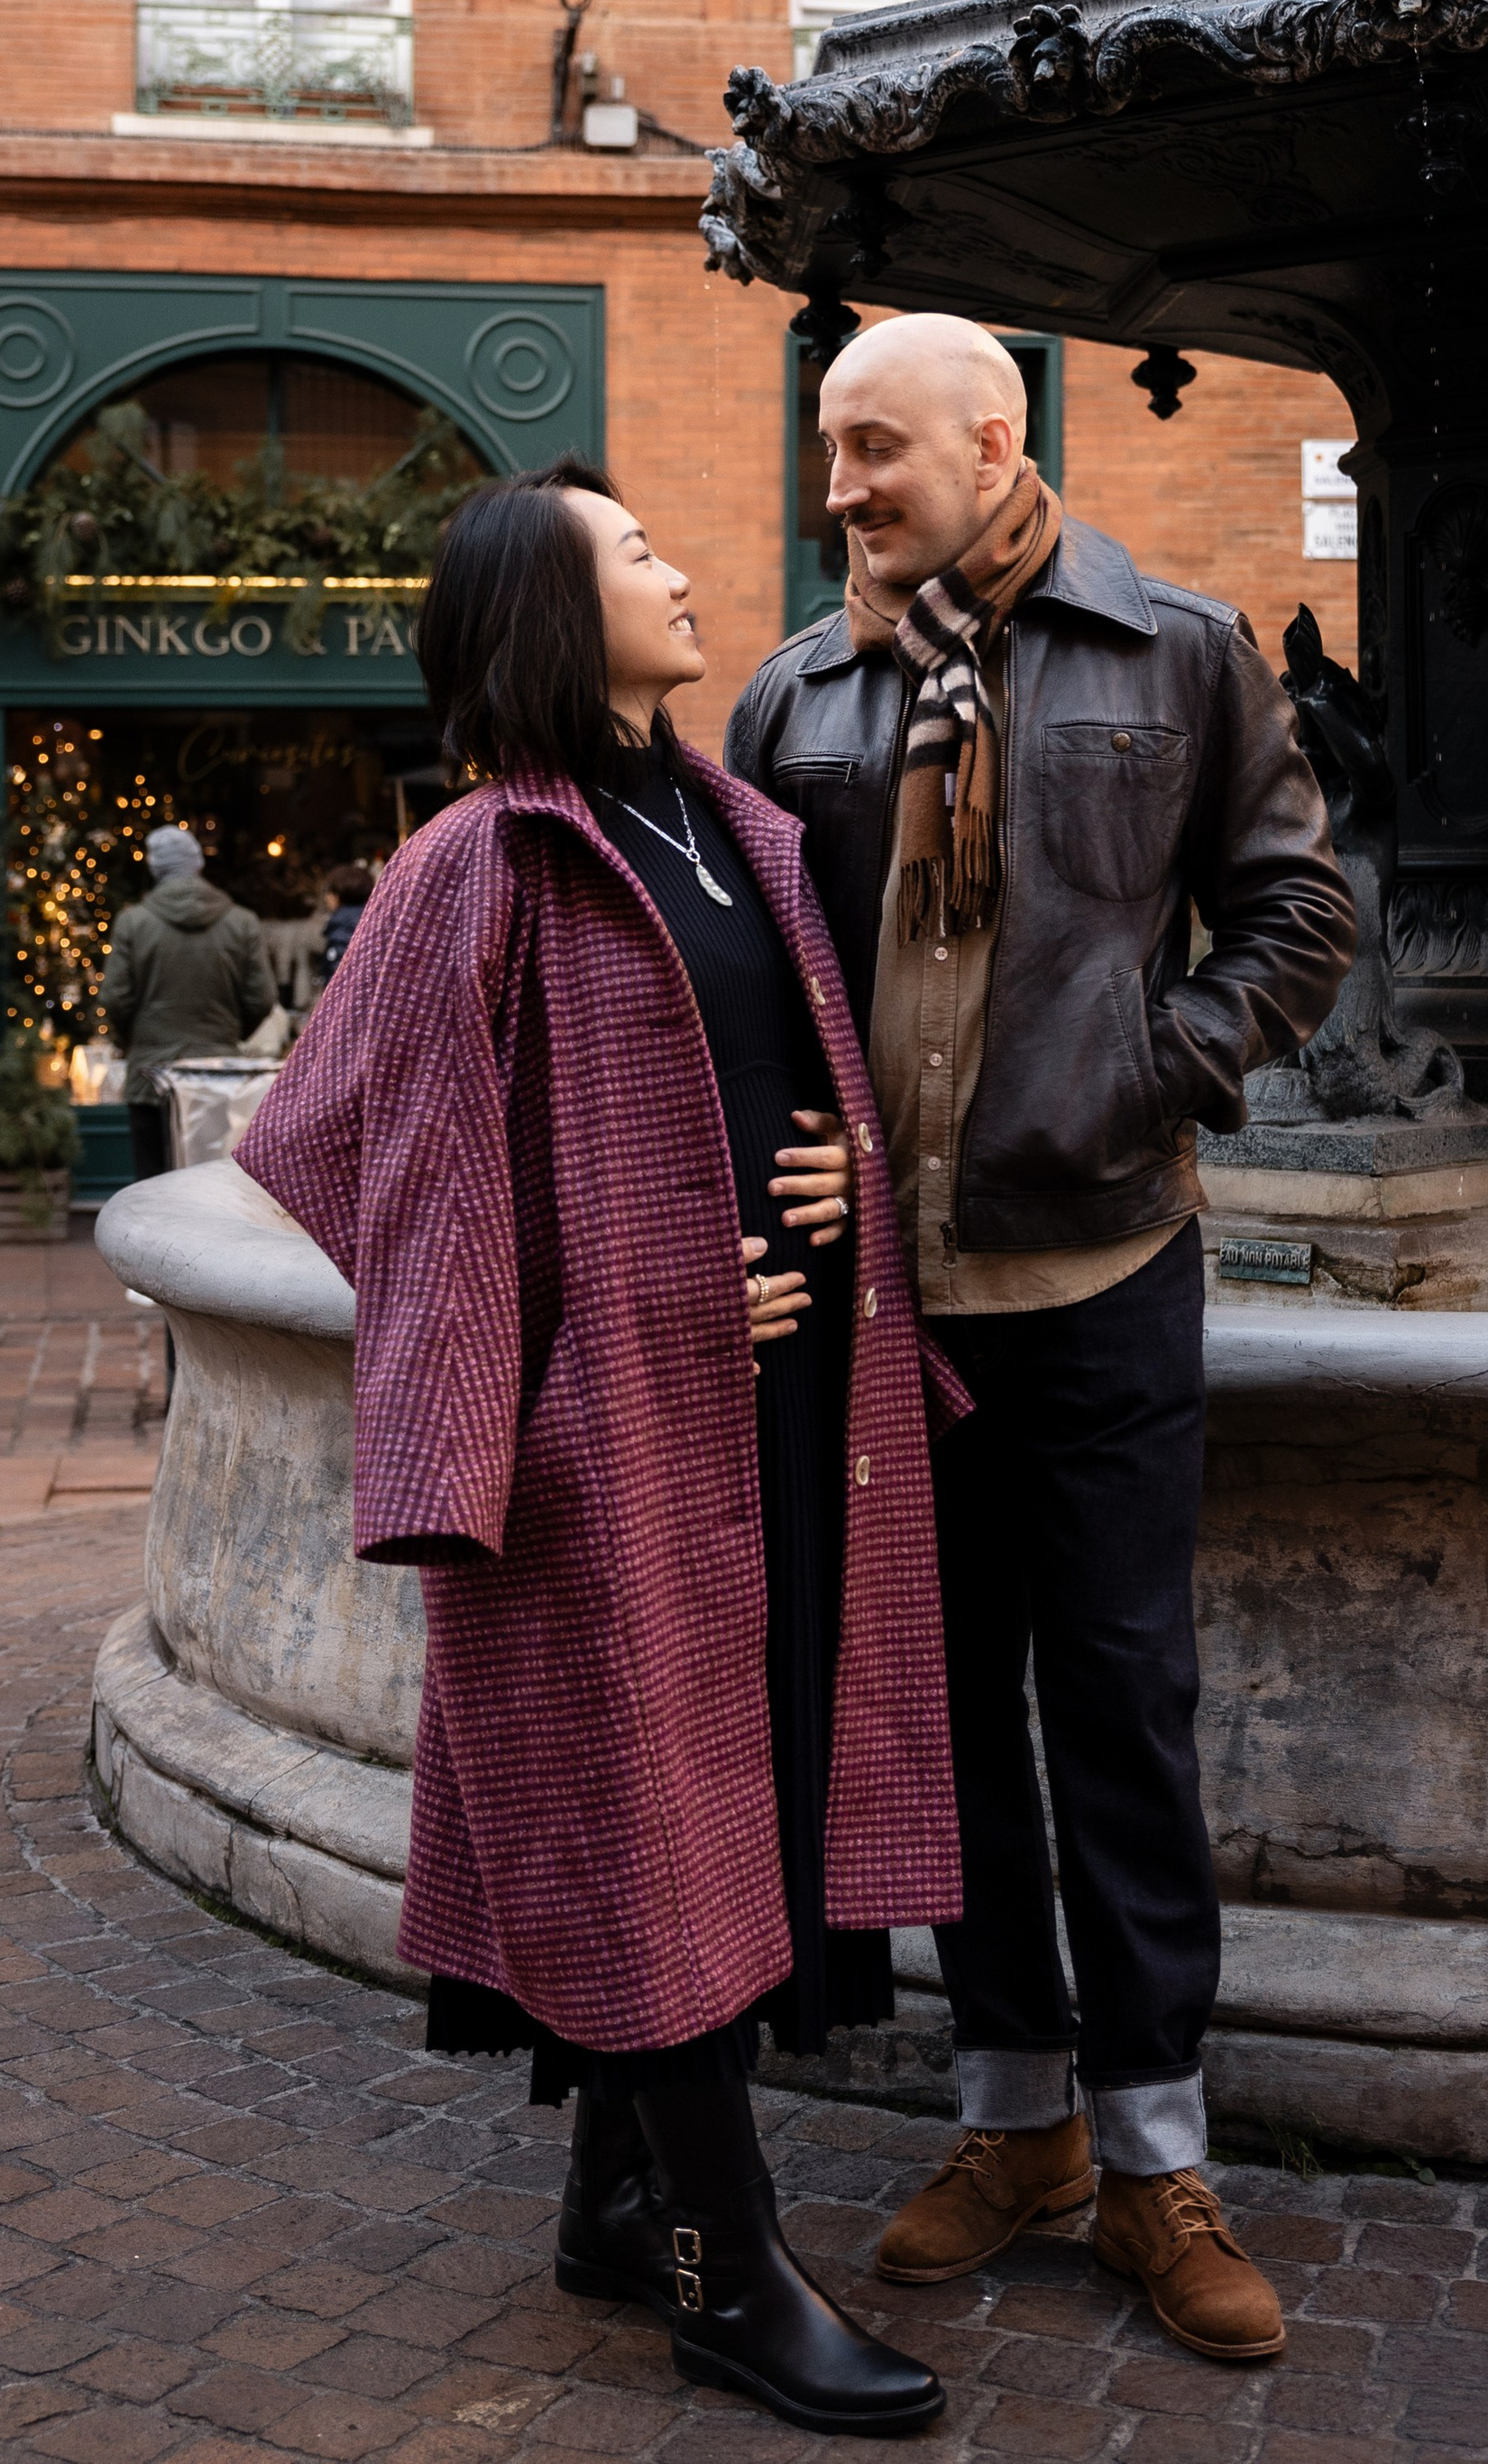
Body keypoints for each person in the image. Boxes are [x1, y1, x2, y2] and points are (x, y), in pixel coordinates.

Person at [236, 461, 960, 2438]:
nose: (680, 561)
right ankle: (730, 2279)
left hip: (789, 1404)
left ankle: (612, 2203)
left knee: (737, 1798)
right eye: (634, 552)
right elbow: (334, 1150)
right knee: (655, 1817)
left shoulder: (738, 827)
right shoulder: (475, 860)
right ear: (551, 616)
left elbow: (791, 1083)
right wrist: (603, 1329)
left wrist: (838, 1178)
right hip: (603, 1441)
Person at [729, 317, 1352, 2367]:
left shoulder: (1170, 649)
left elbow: (1293, 914)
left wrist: (1143, 1067)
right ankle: (1014, 2121)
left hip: (1097, 1280)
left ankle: (1159, 2155)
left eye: (875, 446)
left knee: (1119, 1716)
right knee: (941, 1719)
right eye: (829, 451)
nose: (843, 486)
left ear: (995, 437)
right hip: (882, 1314)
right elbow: (733, 982)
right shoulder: (794, 694)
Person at [101, 823, 276, 1184]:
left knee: (151, 1188)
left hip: (151, 1076)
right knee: (213, 1188)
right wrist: (226, 1031)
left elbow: (114, 998)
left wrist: (134, 1042)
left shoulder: (133, 922)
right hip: (217, 1076)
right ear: (197, 864)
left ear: (154, 868)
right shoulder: (241, 922)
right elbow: (262, 998)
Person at [317, 860, 375, 984]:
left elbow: (338, 971)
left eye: (328, 891)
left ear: (337, 894)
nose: (326, 897)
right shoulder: (372, 917)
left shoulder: (342, 924)